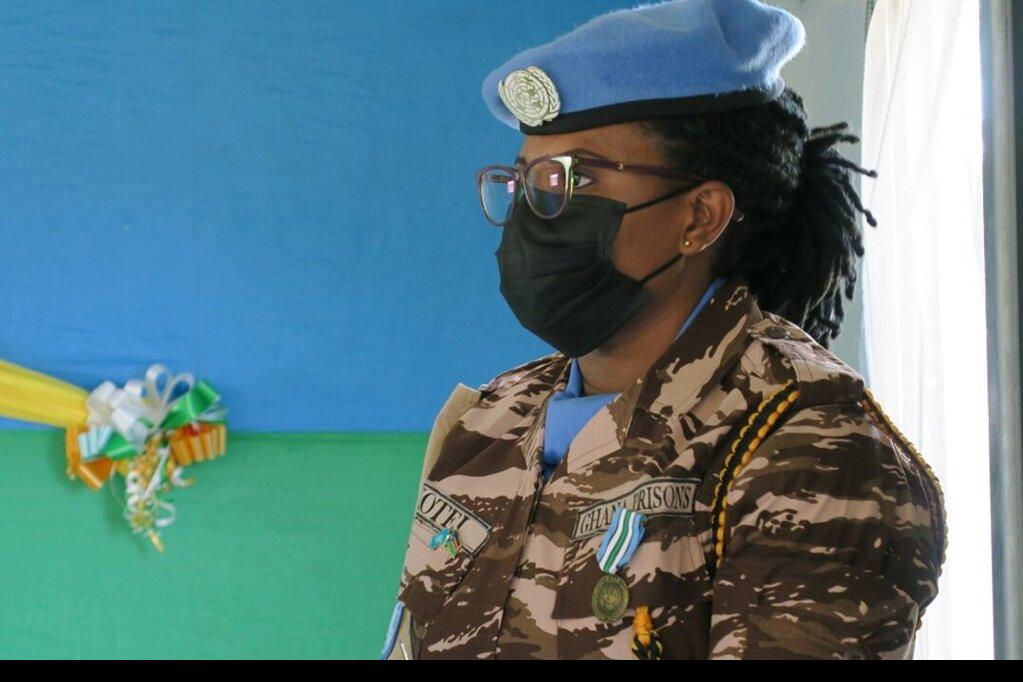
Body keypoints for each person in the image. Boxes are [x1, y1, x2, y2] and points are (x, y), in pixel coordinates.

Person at [381, 0, 946, 660]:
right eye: (528, 180)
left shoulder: (810, 448)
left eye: (574, 178)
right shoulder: (488, 422)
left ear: (700, 217)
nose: (536, 214)